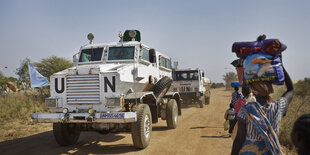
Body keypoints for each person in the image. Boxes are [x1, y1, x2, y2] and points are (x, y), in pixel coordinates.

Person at [231, 67, 294, 155]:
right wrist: (281, 65)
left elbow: (239, 139)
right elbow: (291, 89)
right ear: (270, 88)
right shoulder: (278, 107)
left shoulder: (246, 110)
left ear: (253, 89)